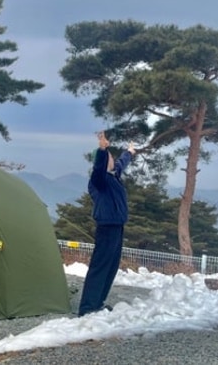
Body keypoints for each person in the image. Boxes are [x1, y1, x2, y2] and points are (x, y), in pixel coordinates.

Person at [78, 131, 135, 316]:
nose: (112, 159)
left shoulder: (113, 175)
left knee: (111, 266)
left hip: (117, 226)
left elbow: (121, 163)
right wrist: (102, 149)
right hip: (106, 227)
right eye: (110, 157)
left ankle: (98, 302)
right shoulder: (99, 180)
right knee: (101, 265)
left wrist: (130, 152)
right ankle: (87, 307)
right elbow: (99, 168)